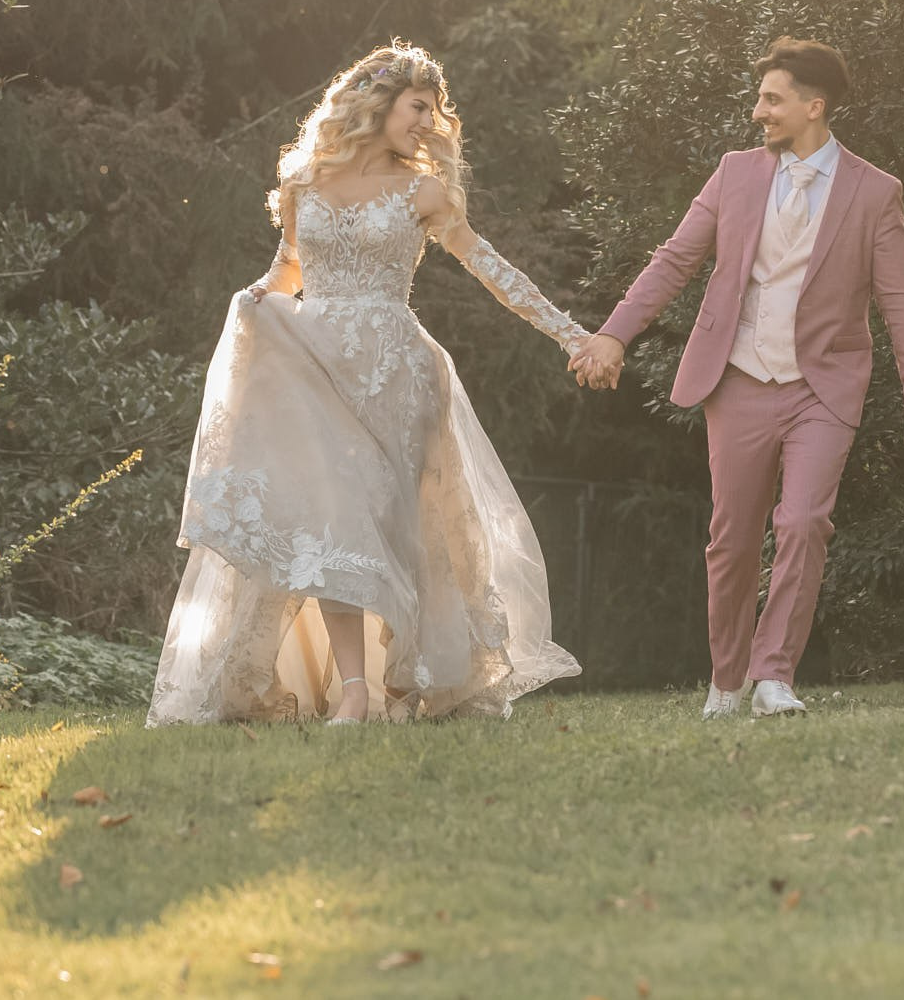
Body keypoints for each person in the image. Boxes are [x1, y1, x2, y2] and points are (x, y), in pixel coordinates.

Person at [147, 42, 584, 727]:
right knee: (332, 520)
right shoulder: (304, 183)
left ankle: (411, 676)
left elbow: (491, 268)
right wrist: (256, 298)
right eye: (419, 107)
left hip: (394, 373)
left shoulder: (424, 190)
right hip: (313, 372)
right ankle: (355, 689)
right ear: (378, 104)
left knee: (387, 522)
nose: (428, 122)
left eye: (434, 110)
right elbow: (285, 272)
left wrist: (571, 334)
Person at [571, 37, 904, 719]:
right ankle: (727, 679)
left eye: (772, 98)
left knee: (803, 522)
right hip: (738, 377)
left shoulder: (875, 192)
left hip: (821, 387)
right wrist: (614, 333)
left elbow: (900, 299)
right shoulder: (736, 174)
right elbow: (675, 259)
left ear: (813, 105)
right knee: (732, 538)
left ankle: (775, 675)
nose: (758, 111)